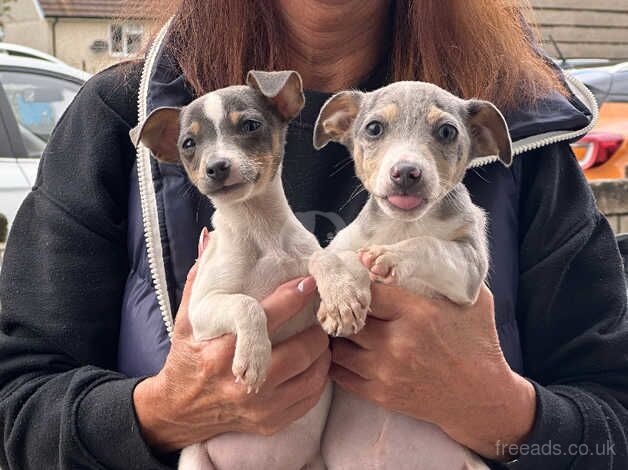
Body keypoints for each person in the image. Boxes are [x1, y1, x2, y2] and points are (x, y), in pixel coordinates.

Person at [1, 0, 627, 468]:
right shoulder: (121, 117)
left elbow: (612, 427)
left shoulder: (527, 126)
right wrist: (163, 412)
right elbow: (18, 409)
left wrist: (506, 415)